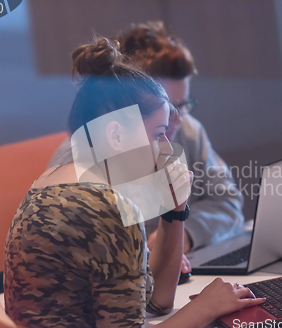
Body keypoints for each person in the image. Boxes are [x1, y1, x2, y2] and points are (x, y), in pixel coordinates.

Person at [4, 36, 264, 328]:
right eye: (157, 135)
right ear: (115, 136)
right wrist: (205, 307)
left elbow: (155, 301)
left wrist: (174, 211)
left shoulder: (48, 182)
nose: (167, 148)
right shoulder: (105, 209)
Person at [49, 22, 245, 256]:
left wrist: (187, 234)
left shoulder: (189, 131)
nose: (179, 119)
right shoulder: (76, 160)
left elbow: (227, 202)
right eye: (169, 108)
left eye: (185, 105)